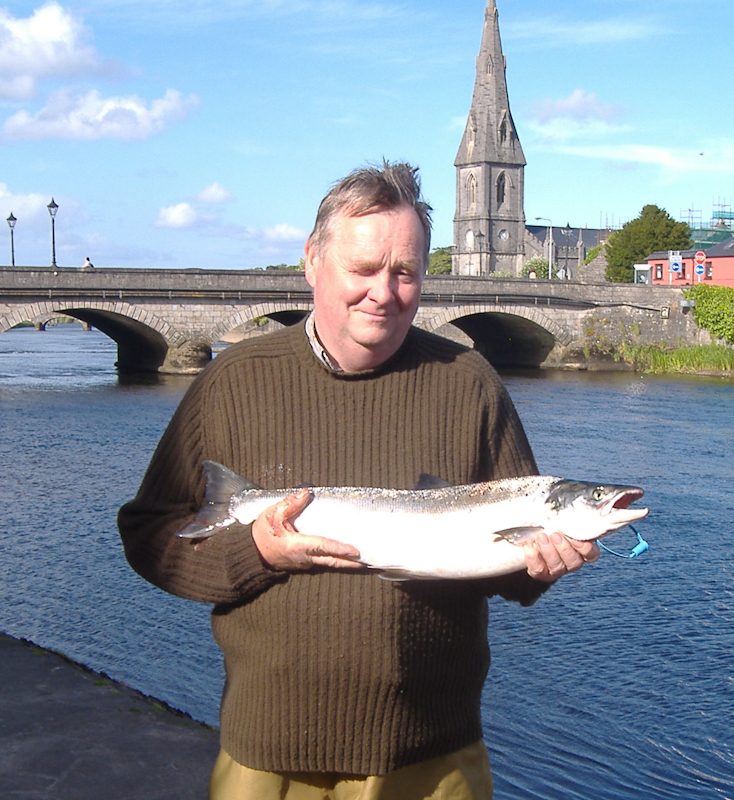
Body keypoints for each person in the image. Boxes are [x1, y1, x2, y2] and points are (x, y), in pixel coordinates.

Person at [118, 161, 598, 800]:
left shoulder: (470, 383)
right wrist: (254, 552)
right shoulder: (231, 382)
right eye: (364, 269)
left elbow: (505, 564)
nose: (384, 291)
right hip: (269, 757)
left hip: (434, 757)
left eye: (404, 272)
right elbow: (150, 537)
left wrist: (538, 568)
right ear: (313, 261)